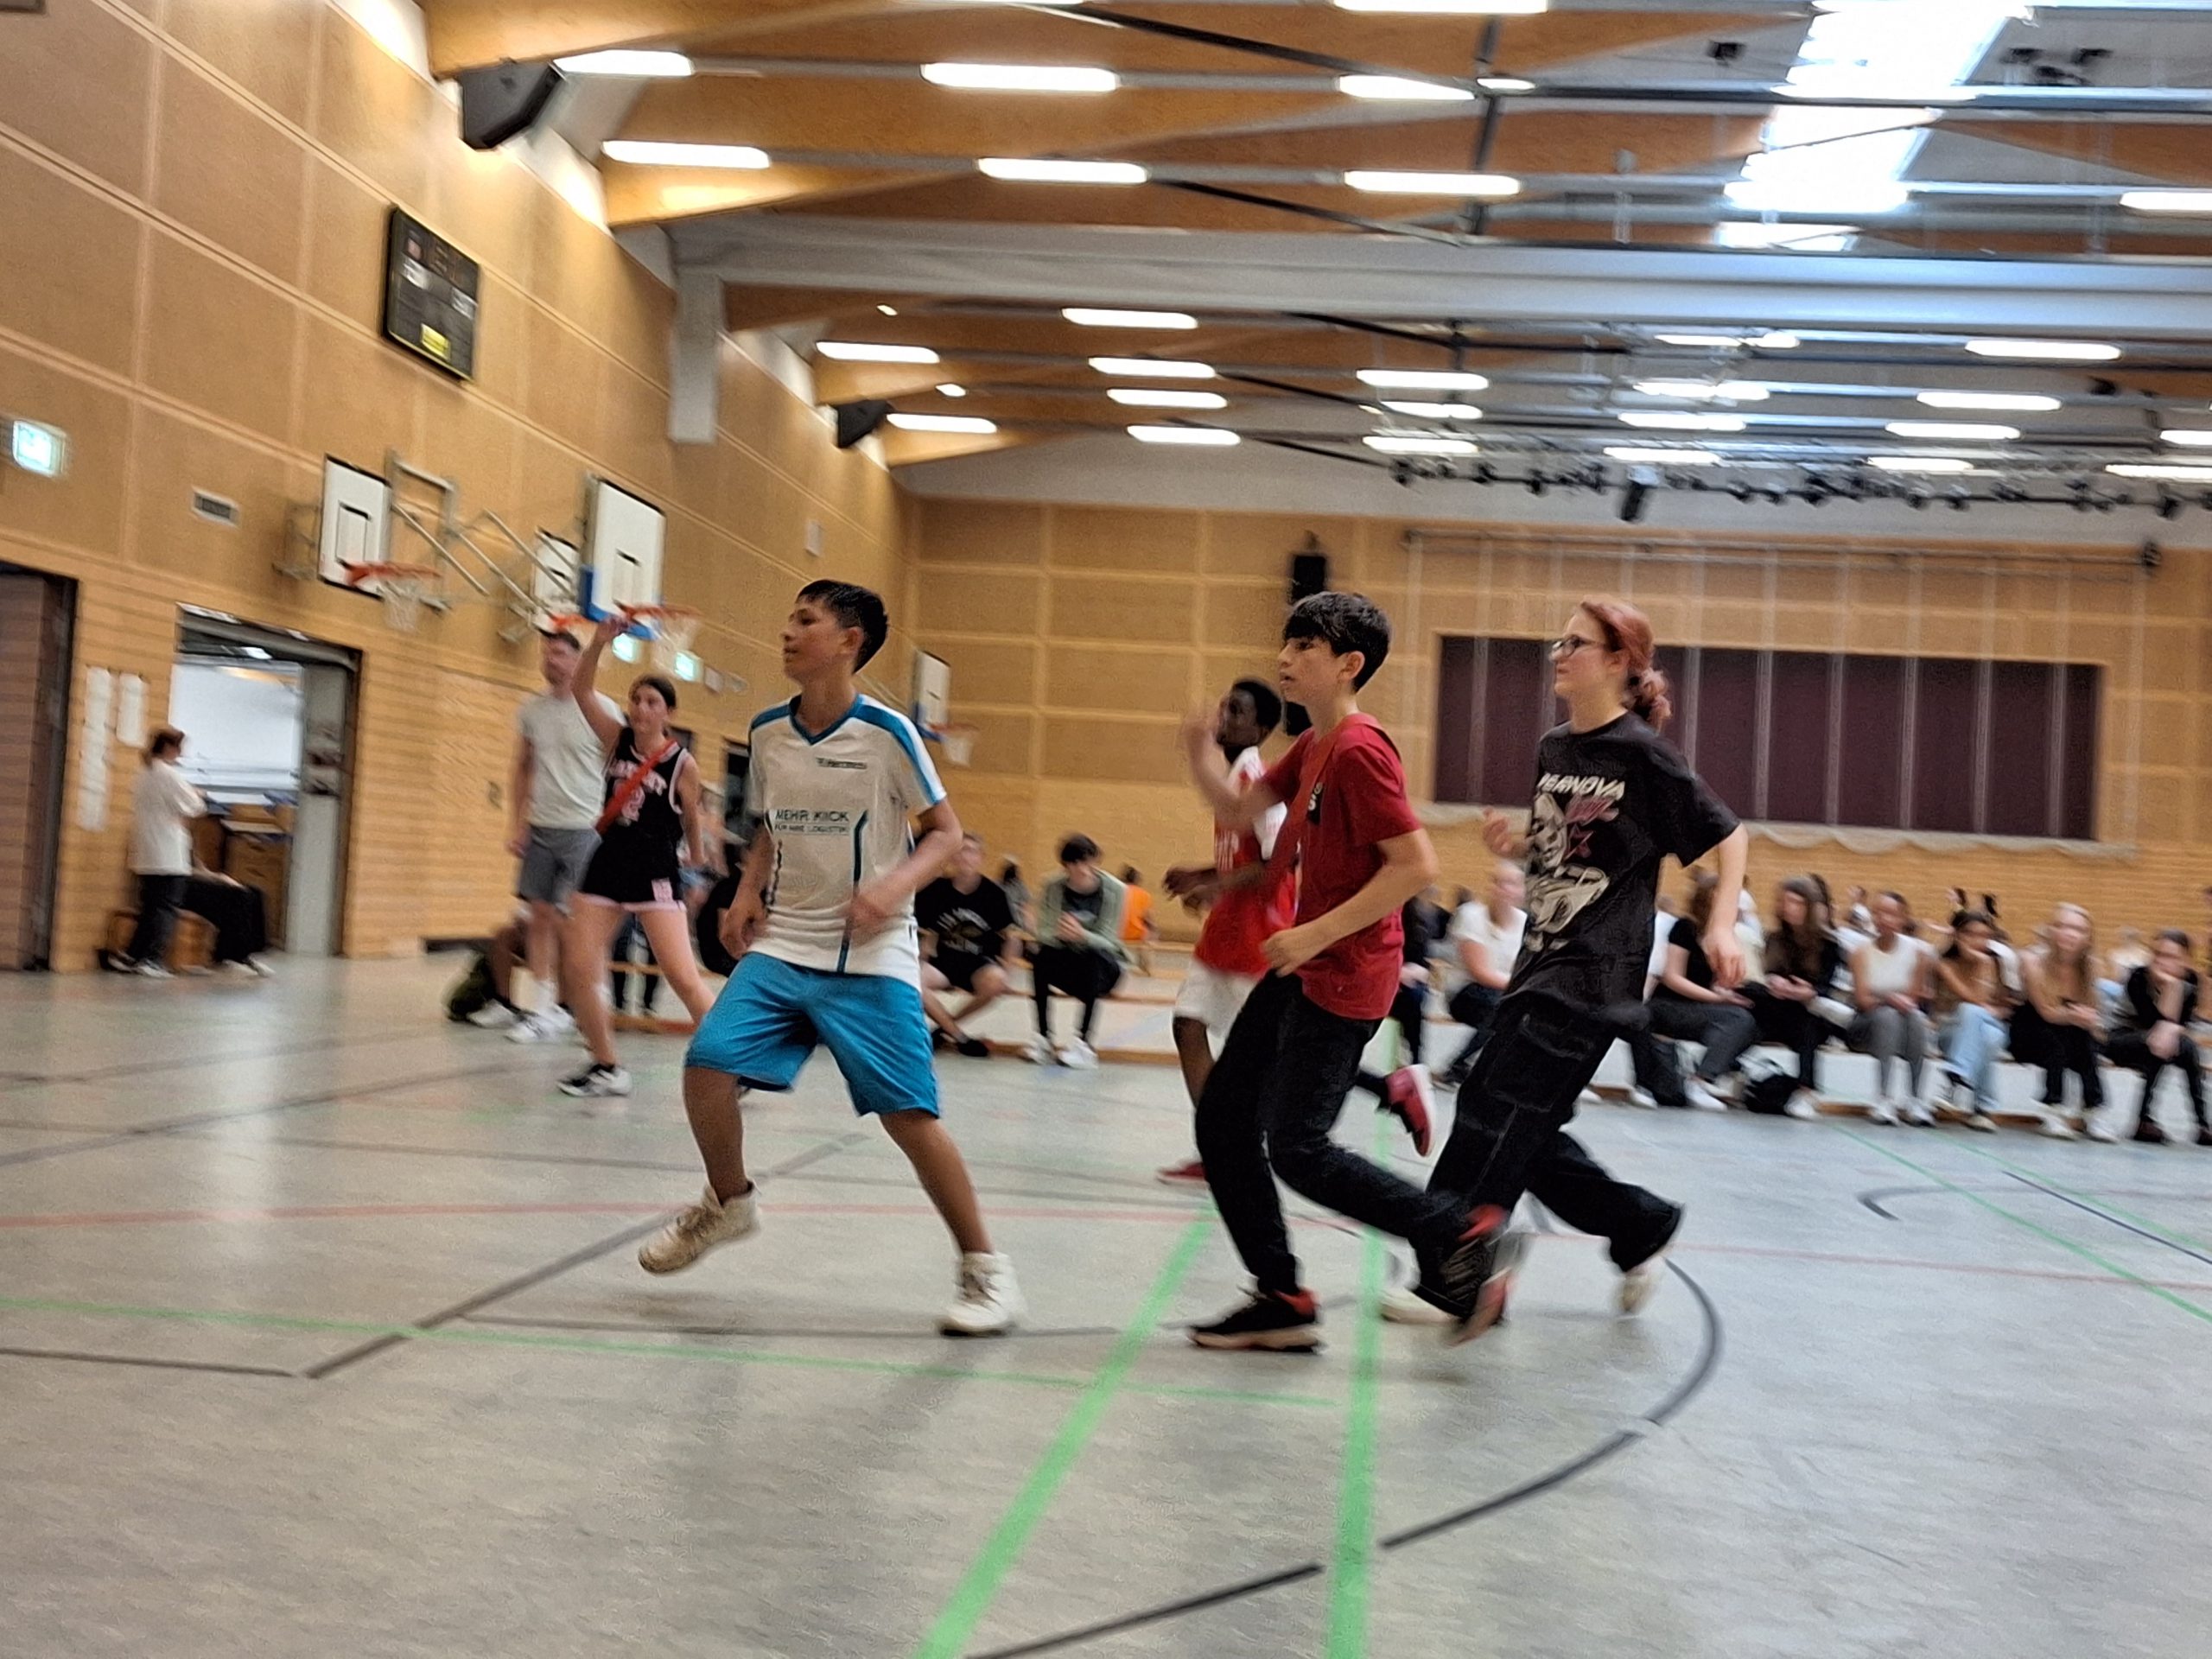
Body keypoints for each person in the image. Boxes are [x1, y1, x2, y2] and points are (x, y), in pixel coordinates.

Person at [639, 580, 1021, 1335]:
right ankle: (728, 1202)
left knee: (909, 1116)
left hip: (871, 951)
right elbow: (772, 824)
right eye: (789, 618)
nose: (787, 632)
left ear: (848, 641)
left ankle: (986, 1271)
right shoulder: (768, 731)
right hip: (788, 940)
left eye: (805, 621)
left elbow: (946, 833)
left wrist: (892, 888)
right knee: (708, 1064)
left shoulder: (888, 734)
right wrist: (748, 891)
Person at [1411, 596, 1749, 1339]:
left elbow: (1729, 835)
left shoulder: (1644, 754)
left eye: (1576, 643)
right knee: (1524, 1130)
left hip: (1595, 975)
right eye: (1558, 642)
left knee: (1490, 1112)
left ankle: (1455, 1270)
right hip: (1540, 959)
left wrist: (1721, 923)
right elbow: (1563, 849)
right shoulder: (1556, 747)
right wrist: (1516, 848)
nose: (1559, 654)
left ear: (1619, 661)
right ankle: (1641, 1225)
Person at [1175, 591, 1499, 1352]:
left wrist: (1313, 931)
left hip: (1347, 971)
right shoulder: (1314, 743)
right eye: (1285, 644)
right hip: (1306, 963)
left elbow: (1414, 866)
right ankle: (1282, 1296)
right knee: (1224, 1123)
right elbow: (1240, 810)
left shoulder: (1358, 750)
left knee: (1299, 1148)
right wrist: (1197, 750)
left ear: (1349, 664)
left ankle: (1460, 1233)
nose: (1284, 658)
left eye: (1304, 648)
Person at [555, 614, 719, 1098]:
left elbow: (692, 815)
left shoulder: (681, 763)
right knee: (578, 966)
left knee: (683, 978)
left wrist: (697, 855)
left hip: (654, 867)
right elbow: (582, 690)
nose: (641, 708)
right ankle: (606, 1064)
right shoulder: (615, 740)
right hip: (608, 861)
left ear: (668, 712)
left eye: (652, 702)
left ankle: (735, 1062)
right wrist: (598, 643)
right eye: (636, 699)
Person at [1158, 678, 1290, 1187]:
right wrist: (1202, 874)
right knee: (1187, 1026)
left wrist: (1214, 886)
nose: (1224, 717)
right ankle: (1219, 1147)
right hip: (1224, 932)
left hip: (1259, 935)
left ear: (1259, 729)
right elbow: (1243, 857)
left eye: (1236, 711)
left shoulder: (1260, 781)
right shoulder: (1231, 778)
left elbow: (1279, 861)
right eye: (1224, 707)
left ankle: (1243, 1149)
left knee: (1255, 1059)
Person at [506, 631, 622, 1043]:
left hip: (585, 829)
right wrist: (517, 822)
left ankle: (594, 1002)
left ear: (576, 660)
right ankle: (542, 1009)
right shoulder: (532, 711)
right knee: (538, 917)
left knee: (576, 924)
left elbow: (620, 769)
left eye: (558, 653)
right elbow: (523, 766)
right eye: (546, 653)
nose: (550, 660)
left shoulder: (602, 710)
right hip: (541, 826)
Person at [1646, 869, 1759, 1111]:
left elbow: (1712, 983)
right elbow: (1672, 977)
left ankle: (1707, 1073)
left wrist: (1725, 993)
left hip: (1696, 1007)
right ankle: (1701, 1080)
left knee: (1751, 1024)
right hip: (1668, 1005)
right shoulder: (1686, 927)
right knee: (1738, 1020)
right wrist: (1716, 998)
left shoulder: (1723, 936)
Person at [1741, 876, 1842, 1119]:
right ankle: (1728, 1071)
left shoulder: (1828, 944)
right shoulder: (1775, 939)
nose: (1790, 908)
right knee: (1749, 997)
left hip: (1810, 1012)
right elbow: (1765, 975)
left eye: (1797, 903)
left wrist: (1807, 992)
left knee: (1808, 1021)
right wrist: (1774, 983)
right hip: (1778, 1009)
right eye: (1786, 902)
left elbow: (1826, 988)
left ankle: (1806, 1091)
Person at [1028, 836, 1128, 1068]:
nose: (1082, 869)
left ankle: (1084, 1044)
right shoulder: (1053, 886)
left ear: (1095, 861)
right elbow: (1044, 931)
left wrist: (1082, 935)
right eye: (1074, 864)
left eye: (1087, 862)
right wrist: (1061, 934)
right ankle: (1043, 1038)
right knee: (1040, 956)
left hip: (1103, 968)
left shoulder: (1115, 890)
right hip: (1068, 960)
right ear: (1065, 866)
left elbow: (1110, 940)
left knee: (1094, 958)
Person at [917, 833, 1019, 1057]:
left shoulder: (994, 894)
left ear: (981, 857)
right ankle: (960, 1037)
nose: (966, 857)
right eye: (961, 851)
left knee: (996, 982)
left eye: (971, 851)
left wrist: (1008, 972)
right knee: (913, 980)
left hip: (978, 963)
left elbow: (1012, 937)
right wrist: (920, 960)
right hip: (944, 961)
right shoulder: (936, 889)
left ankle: (945, 1028)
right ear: (952, 856)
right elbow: (925, 934)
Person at [2013, 903, 2106, 1139]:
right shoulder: (2032, 961)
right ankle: (2052, 1107)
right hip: (2030, 1032)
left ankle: (2092, 1110)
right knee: (2057, 1037)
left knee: (2085, 1040)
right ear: (2052, 931)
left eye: (2078, 929)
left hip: (2070, 1033)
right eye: (2062, 926)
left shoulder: (2091, 967)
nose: (2069, 934)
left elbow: (2092, 1011)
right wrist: (2079, 1015)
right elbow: (2047, 1012)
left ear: (2088, 938)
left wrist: (2090, 1019)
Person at [117, 728, 204, 977]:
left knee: (149, 907)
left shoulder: (142, 774)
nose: (180, 754)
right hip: (167, 853)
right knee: (166, 907)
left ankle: (132, 955)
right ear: (168, 748)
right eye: (179, 749)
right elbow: (194, 805)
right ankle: (152, 959)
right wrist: (198, 794)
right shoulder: (169, 775)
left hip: (146, 851)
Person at [1846, 891, 1936, 1125]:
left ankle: (1915, 1099)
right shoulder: (1860, 953)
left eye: (1891, 914)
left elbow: (1913, 997)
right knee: (1887, 1016)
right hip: (1865, 1026)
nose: (1884, 919)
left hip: (1904, 1024)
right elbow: (1863, 1000)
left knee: (1916, 1018)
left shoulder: (1918, 952)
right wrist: (1889, 998)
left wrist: (1896, 1001)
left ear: (1903, 918)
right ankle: (1884, 1098)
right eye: (1878, 913)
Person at [1433, 861, 1525, 1091]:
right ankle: (1458, 1066)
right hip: (1465, 993)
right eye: (1500, 883)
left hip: (1506, 992)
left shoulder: (1525, 923)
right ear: (1491, 887)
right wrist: (1524, 986)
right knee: (1504, 1010)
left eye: (1513, 884)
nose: (1506, 889)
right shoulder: (1471, 915)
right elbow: (1481, 973)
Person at [2107, 931, 2206, 1145]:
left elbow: (2181, 1024)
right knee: (2160, 1044)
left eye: (2171, 957)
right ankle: (2143, 1120)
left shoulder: (2192, 980)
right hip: (2122, 1037)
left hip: (2162, 1040)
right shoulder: (2138, 977)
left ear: (2185, 961)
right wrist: (2172, 987)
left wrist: (2174, 987)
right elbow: (2153, 1021)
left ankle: (2202, 1124)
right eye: (2157, 954)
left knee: (2186, 1048)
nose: (2161, 961)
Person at [1933, 910, 2012, 1131]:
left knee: (1979, 1022)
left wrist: (1986, 964)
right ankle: (1983, 1108)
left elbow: (2005, 1007)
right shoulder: (1945, 964)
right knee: (1982, 1029)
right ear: (1957, 935)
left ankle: (1956, 1077)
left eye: (1985, 935)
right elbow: (1976, 1000)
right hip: (1951, 1031)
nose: (1978, 941)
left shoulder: (1999, 963)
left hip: (1992, 1023)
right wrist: (1983, 965)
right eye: (1971, 934)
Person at [1119, 867, 1158, 975]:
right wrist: (1154, 932)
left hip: (1118, 932)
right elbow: (1149, 918)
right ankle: (1146, 967)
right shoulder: (1144, 895)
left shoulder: (1118, 891)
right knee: (1149, 934)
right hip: (1137, 933)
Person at [999, 857, 1035, 941]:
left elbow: (1026, 907)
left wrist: (1030, 926)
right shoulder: (997, 886)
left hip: (1018, 925)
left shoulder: (1020, 886)